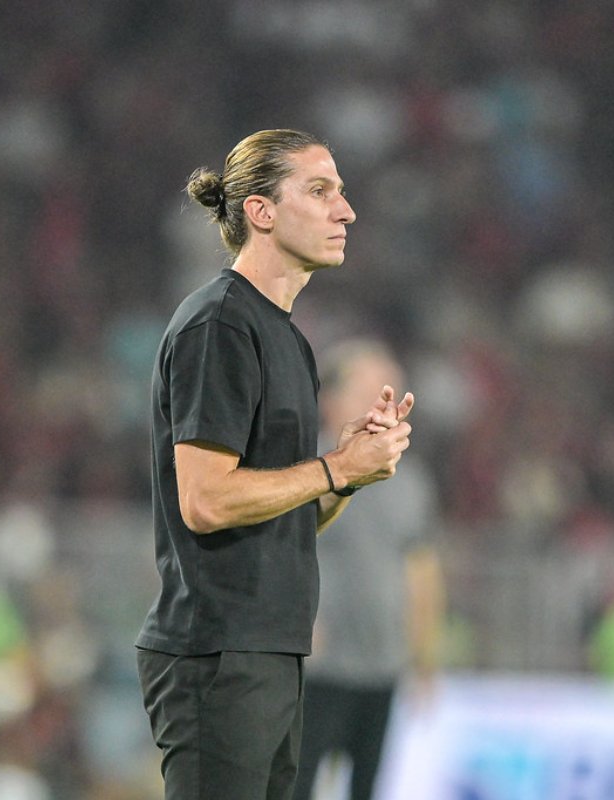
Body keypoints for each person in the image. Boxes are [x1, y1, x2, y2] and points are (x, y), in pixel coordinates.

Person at [135, 129, 415, 800]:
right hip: (217, 651)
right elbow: (204, 501)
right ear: (260, 212)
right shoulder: (218, 325)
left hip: (271, 653)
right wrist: (332, 467)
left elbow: (279, 517)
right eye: (319, 191)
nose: (344, 210)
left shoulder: (289, 339)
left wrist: (347, 472)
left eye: (342, 192)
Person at [293, 339, 446, 800]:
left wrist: (423, 655)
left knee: (368, 785)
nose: (383, 401)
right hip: (317, 665)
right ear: (331, 399)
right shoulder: (303, 466)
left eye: (392, 390)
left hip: (383, 664)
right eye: (369, 389)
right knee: (297, 780)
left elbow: (421, 569)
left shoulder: (410, 480)